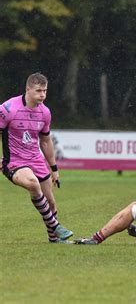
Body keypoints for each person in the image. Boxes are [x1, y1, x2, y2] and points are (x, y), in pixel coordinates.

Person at [0, 72, 73, 243]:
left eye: (45, 91)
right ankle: (56, 226)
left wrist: (54, 168)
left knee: (51, 203)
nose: (42, 95)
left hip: (37, 160)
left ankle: (54, 239)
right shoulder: (8, 109)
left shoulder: (45, 112)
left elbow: (46, 141)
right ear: (28, 89)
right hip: (14, 162)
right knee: (33, 184)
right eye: (38, 91)